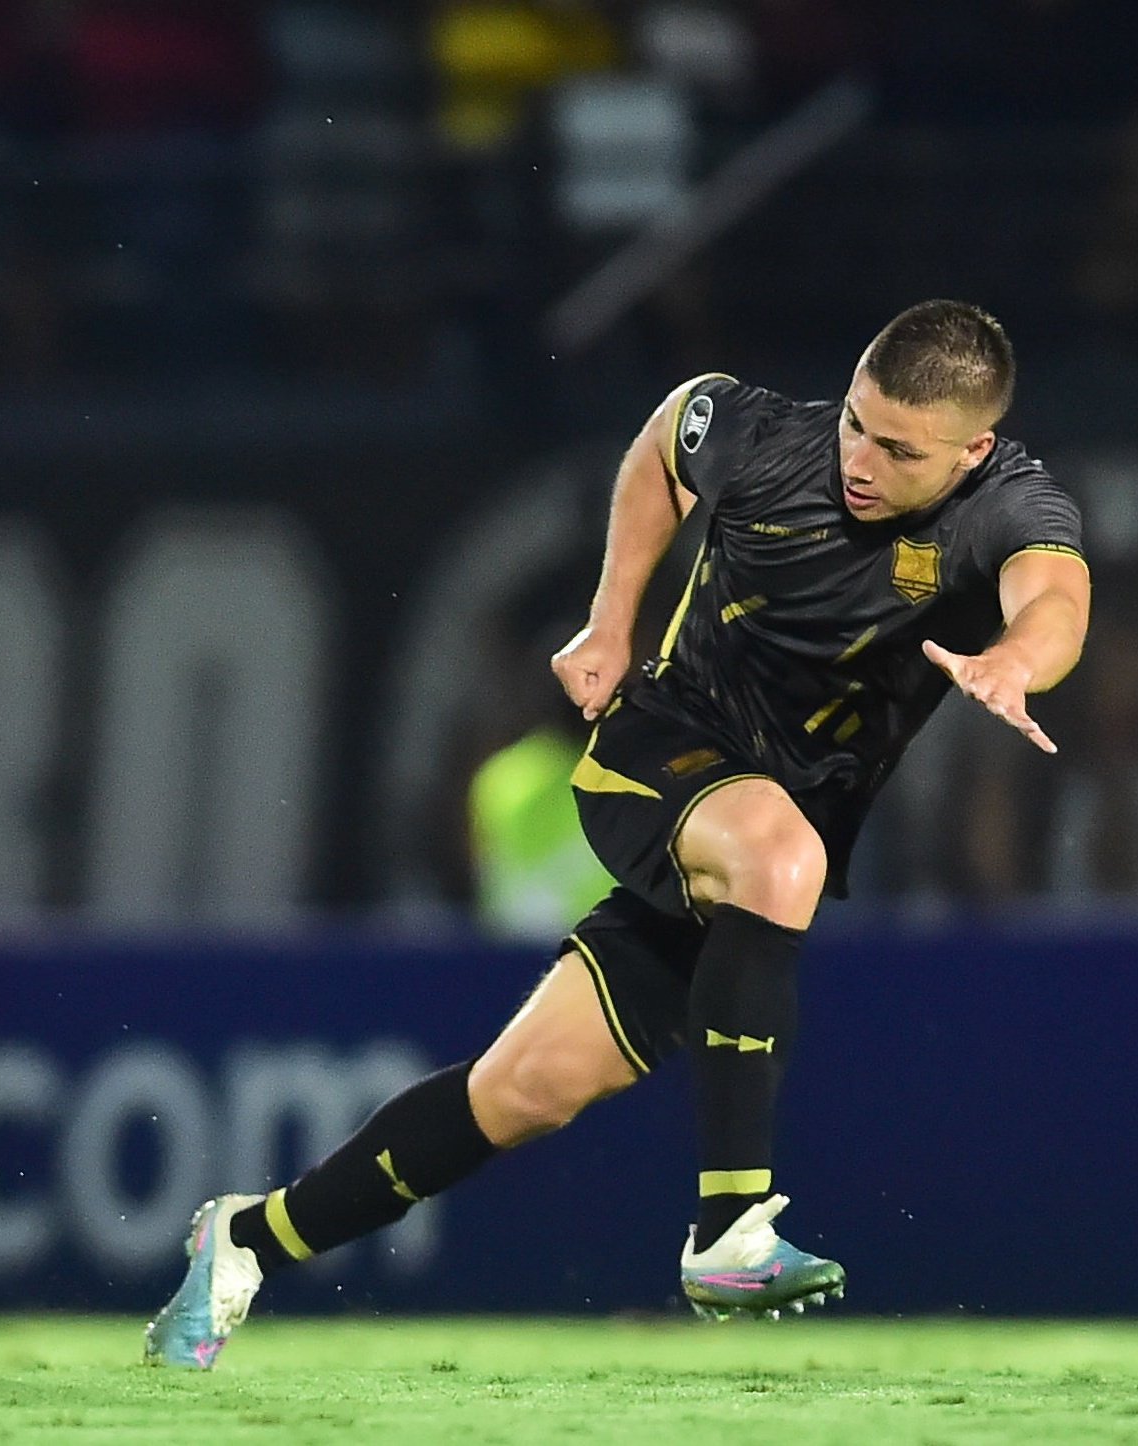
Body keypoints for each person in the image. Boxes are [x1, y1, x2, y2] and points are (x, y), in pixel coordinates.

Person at [146, 299, 1089, 1366]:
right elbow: (668, 434)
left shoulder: (1010, 506)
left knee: (520, 1093)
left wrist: (1014, 662)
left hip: (745, 860)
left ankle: (243, 1242)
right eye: (855, 425)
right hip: (657, 755)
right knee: (780, 851)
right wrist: (609, 619)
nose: (860, 462)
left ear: (970, 453)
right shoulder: (767, 439)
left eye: (898, 451)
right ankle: (728, 1231)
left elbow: (1054, 600)